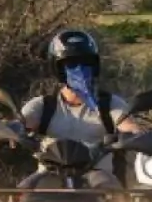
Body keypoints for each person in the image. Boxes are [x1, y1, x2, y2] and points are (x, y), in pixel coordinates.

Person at [17, 29, 142, 189]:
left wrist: (134, 136)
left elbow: (128, 125)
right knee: (21, 194)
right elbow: (21, 122)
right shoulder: (44, 105)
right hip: (49, 175)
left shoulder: (109, 104)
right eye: (71, 64)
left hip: (96, 176)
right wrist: (12, 131)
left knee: (112, 192)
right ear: (58, 69)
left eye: (86, 63)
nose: (80, 70)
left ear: (95, 66)